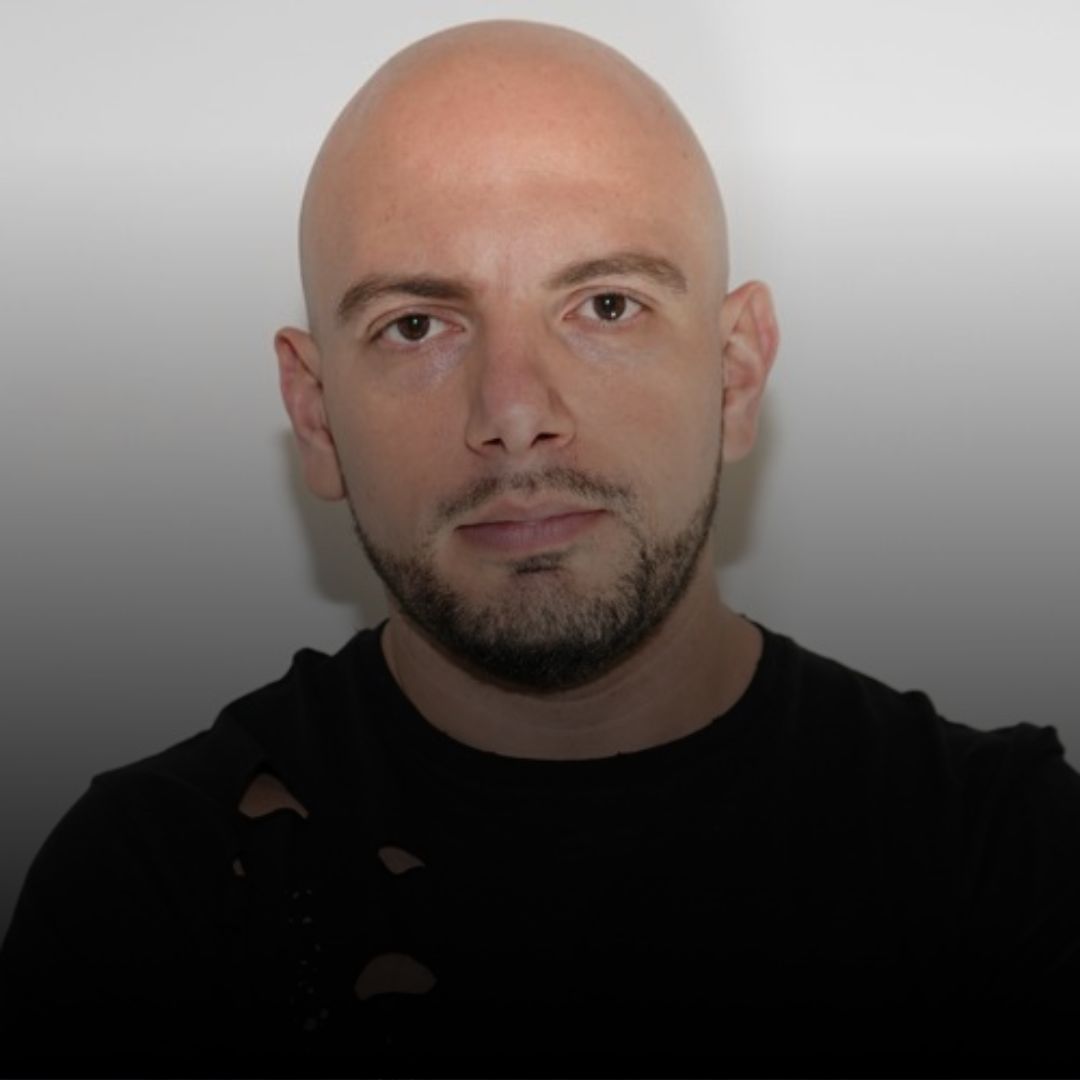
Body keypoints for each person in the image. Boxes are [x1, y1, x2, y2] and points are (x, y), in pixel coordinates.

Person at [2, 18, 1079, 1075]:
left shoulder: (1009, 861)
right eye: (416, 325)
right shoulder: (149, 897)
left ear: (736, 374)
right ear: (316, 415)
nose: (515, 414)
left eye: (606, 305)